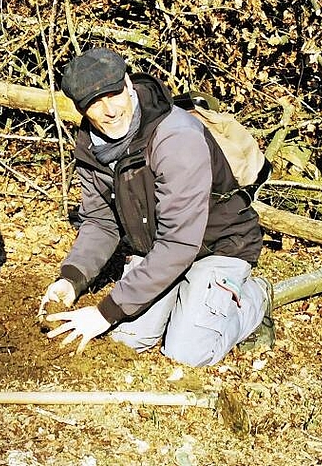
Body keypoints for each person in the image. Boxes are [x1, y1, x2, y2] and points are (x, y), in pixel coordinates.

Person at [40, 48, 274, 367]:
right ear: (80, 108)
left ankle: (255, 298)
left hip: (219, 244)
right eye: (95, 102)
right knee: (128, 339)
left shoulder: (175, 137)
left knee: (187, 353)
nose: (110, 110)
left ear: (128, 84)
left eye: (114, 94)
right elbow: (99, 222)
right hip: (158, 249)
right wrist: (71, 278)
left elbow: (179, 243)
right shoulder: (91, 147)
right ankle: (185, 295)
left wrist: (104, 312)